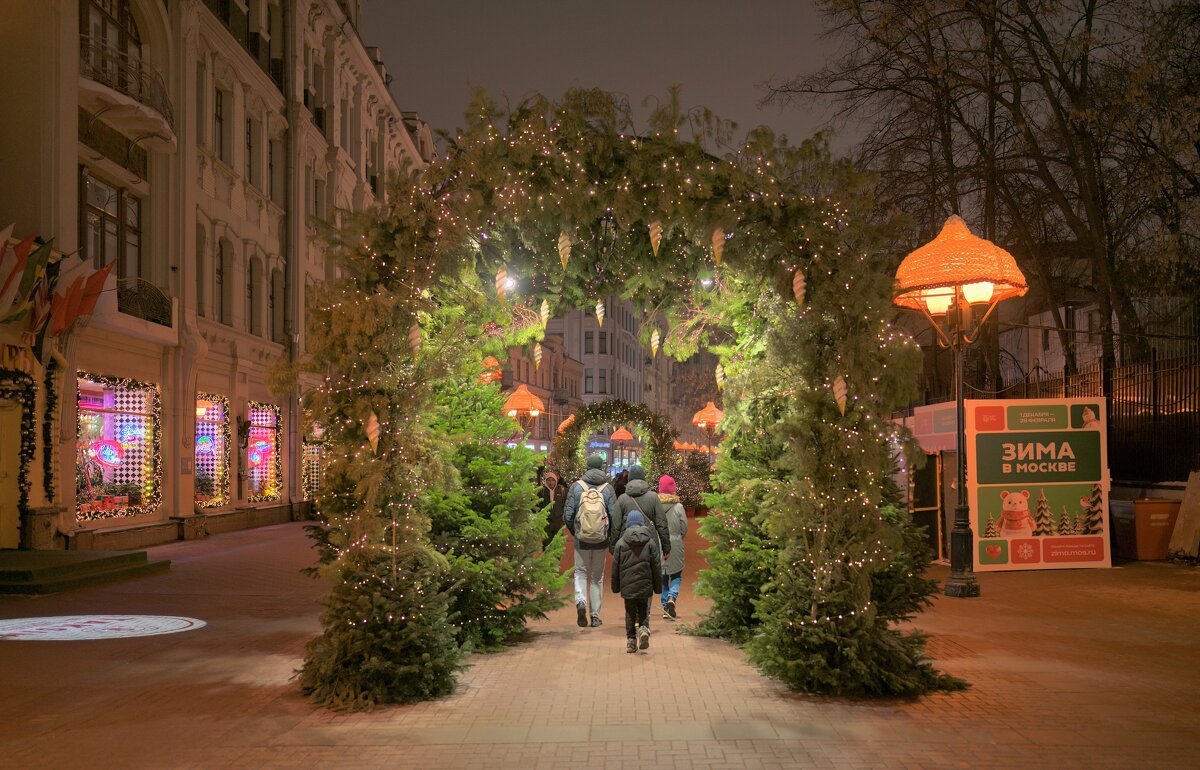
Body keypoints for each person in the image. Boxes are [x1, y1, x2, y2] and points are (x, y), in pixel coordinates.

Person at [563, 454, 618, 628]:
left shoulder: (576, 487)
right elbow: (615, 516)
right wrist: (610, 537)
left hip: (581, 541)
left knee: (580, 573)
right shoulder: (608, 489)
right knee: (597, 577)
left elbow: (568, 515)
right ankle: (595, 616)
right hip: (601, 541)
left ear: (587, 467)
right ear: (601, 467)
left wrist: (576, 533)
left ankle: (581, 602)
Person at [611, 510, 662, 653]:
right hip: (645, 584)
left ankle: (631, 641)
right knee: (644, 609)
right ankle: (644, 629)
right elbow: (656, 566)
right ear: (641, 523)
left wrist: (615, 587)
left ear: (628, 524)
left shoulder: (621, 543)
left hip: (628, 586)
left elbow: (615, 566)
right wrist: (658, 587)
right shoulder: (650, 542)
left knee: (630, 612)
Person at [613, 465, 669, 563]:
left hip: (626, 542)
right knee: (650, 573)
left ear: (629, 479)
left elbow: (615, 525)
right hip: (650, 542)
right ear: (643, 478)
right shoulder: (653, 497)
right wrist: (666, 547)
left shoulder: (622, 499)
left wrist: (613, 547)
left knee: (627, 573)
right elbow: (662, 524)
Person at [655, 475, 688, 620]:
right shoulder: (679, 507)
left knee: (662, 577)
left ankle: (665, 607)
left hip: (659, 544)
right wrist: (679, 537)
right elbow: (684, 527)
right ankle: (672, 597)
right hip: (675, 544)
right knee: (676, 574)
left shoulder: (655, 505)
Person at [538, 468, 564, 548]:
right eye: (548, 480)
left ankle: (557, 560)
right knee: (547, 544)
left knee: (558, 545)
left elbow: (565, 504)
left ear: (556, 480)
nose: (551, 482)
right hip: (546, 523)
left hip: (558, 522)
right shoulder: (541, 491)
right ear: (545, 481)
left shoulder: (562, 490)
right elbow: (538, 505)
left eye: (552, 480)